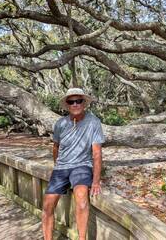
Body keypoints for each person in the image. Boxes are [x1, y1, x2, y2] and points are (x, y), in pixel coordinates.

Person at [42, 88, 105, 240]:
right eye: (71, 101)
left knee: (82, 199)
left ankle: (81, 238)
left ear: (84, 103)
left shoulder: (93, 123)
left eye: (79, 101)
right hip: (62, 167)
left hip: (82, 166)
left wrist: (96, 181)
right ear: (67, 105)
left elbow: (97, 153)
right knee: (47, 205)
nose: (75, 104)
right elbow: (56, 147)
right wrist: (58, 166)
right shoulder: (60, 124)